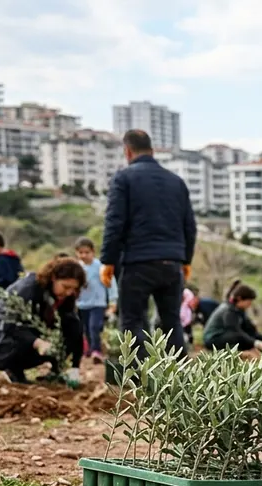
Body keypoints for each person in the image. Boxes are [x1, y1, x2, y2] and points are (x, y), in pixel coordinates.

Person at [99, 130, 197, 360]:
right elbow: (189, 226)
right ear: (153, 152)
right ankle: (180, 380)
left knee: (132, 321)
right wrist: (186, 260)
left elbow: (115, 223)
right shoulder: (176, 182)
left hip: (138, 263)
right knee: (172, 321)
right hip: (171, 264)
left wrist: (108, 261)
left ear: (127, 151)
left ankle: (139, 382)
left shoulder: (123, 179)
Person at [0, 257, 85, 386]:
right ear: (53, 278)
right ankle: (13, 369)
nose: (69, 292)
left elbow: (75, 328)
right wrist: (37, 342)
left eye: (74, 289)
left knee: (65, 334)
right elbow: (11, 325)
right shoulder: (29, 289)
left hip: (28, 332)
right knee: (24, 341)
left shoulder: (66, 297)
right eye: (66, 286)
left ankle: (56, 371)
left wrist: (75, 367)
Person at [74, 237, 117, 362]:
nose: (84, 255)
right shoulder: (77, 268)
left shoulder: (101, 267)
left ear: (93, 252)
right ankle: (89, 349)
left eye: (86, 252)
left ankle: (96, 350)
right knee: (85, 328)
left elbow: (111, 284)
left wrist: (113, 302)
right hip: (81, 304)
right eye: (81, 253)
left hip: (97, 303)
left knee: (94, 326)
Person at [203, 283, 262, 353]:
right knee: (238, 337)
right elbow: (235, 331)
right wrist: (255, 342)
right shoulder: (228, 310)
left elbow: (249, 329)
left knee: (245, 335)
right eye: (249, 302)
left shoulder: (239, 310)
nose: (249, 305)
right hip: (213, 339)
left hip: (224, 336)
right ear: (240, 298)